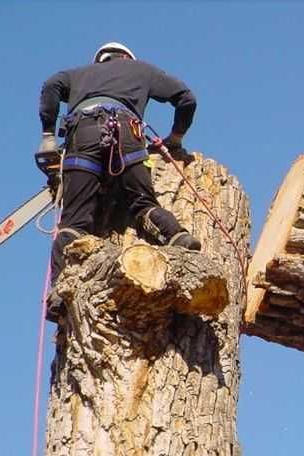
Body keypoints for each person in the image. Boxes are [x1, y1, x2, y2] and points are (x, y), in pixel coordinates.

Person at [38, 42, 200, 321]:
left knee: (74, 222)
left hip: (83, 134)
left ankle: (60, 290)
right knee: (143, 204)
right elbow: (187, 98)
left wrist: (48, 136)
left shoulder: (77, 74)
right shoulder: (142, 70)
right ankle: (178, 236)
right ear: (127, 58)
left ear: (100, 60)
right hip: (128, 133)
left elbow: (51, 85)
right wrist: (175, 139)